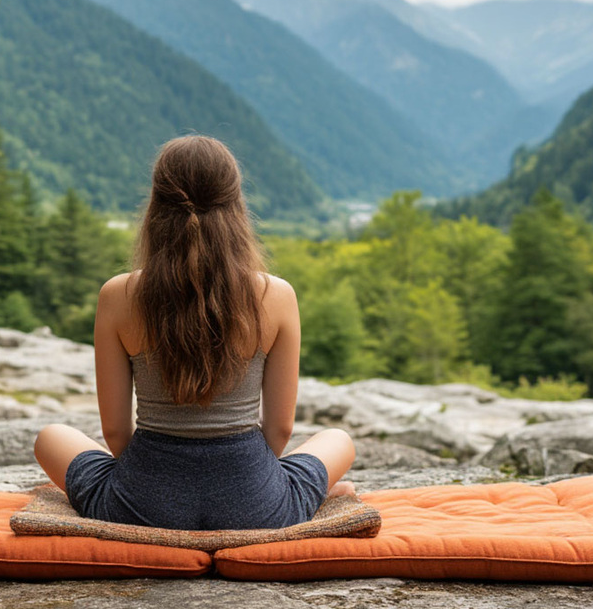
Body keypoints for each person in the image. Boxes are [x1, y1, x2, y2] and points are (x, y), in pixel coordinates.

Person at [33, 135, 355, 530]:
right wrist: (248, 487)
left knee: (50, 437)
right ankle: (308, 494)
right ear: (236, 205)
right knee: (339, 440)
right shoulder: (276, 295)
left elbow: (116, 433)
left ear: (155, 206)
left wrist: (159, 485)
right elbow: (280, 430)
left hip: (142, 508)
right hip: (257, 508)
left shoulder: (118, 295)